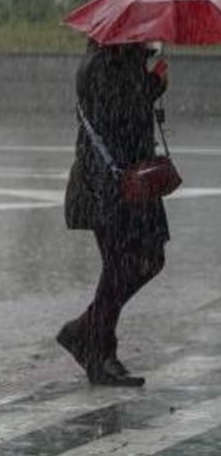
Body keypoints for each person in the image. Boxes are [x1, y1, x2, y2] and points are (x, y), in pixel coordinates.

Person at [58, 40, 170, 387]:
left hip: (129, 180)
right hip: (109, 182)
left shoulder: (121, 60)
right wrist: (151, 86)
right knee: (125, 264)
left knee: (143, 260)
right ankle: (96, 347)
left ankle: (89, 337)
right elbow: (117, 116)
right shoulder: (103, 64)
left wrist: (149, 85)